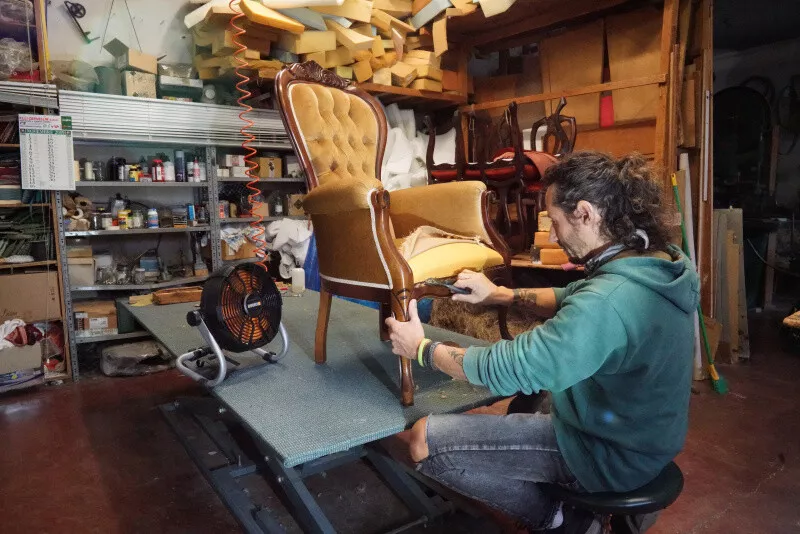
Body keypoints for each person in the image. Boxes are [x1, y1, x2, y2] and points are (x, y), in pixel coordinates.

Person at [385, 151, 699, 532]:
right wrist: (498, 294)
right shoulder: (659, 263)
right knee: (531, 402)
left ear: (585, 213)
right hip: (644, 439)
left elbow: (508, 367)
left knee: (423, 440)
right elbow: (572, 296)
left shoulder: (607, 302)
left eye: (555, 221)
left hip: (605, 455)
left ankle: (563, 521)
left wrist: (421, 348)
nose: (551, 236)